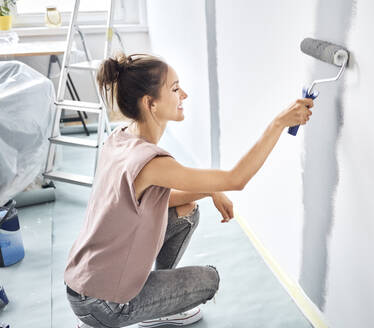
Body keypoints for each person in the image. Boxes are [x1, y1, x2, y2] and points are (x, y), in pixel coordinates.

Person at [64, 53, 314, 328]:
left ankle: (149, 304)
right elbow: (236, 179)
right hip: (105, 304)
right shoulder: (153, 163)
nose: (184, 94)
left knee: (186, 212)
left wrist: (209, 191)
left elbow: (153, 200)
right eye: (174, 89)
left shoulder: (120, 138)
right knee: (209, 280)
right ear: (151, 104)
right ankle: (144, 311)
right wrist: (278, 123)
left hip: (83, 284)